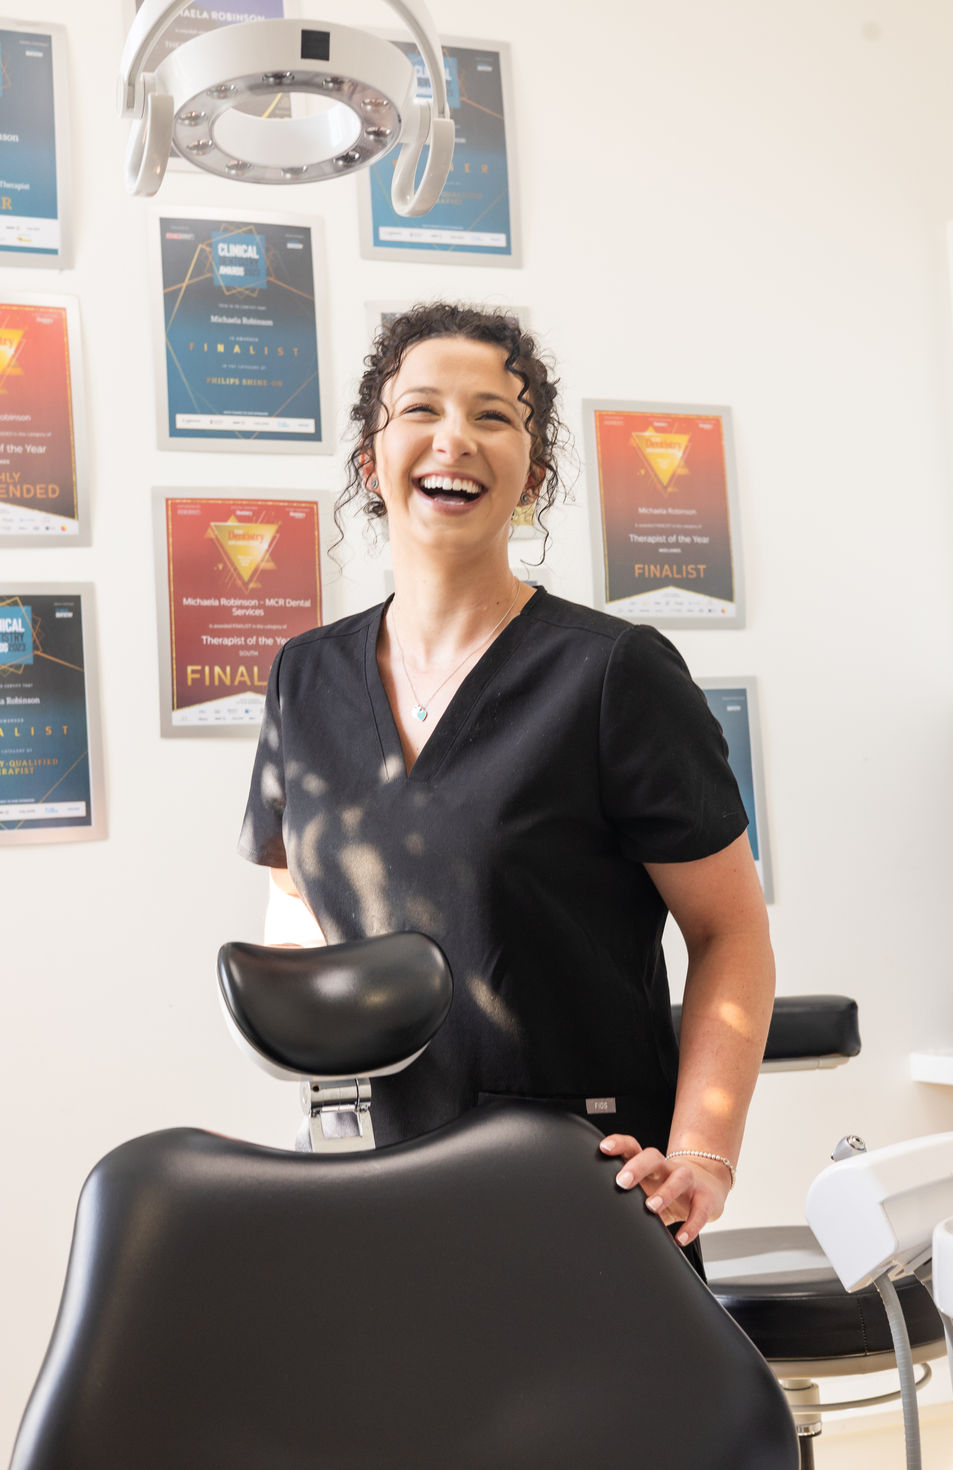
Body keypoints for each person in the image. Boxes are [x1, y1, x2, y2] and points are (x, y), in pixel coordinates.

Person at [238, 302, 775, 1256]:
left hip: (587, 1186)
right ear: (373, 456)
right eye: (422, 410)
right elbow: (296, 895)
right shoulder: (304, 678)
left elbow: (728, 929)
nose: (457, 438)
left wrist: (704, 1153)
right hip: (373, 1179)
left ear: (532, 472)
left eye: (495, 415)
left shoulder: (613, 673)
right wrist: (316, 1054)